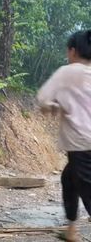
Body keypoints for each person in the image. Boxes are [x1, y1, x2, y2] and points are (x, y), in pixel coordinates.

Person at [37, 30, 91, 241]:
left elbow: (43, 99)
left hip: (82, 144)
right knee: (69, 179)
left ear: (73, 50)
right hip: (85, 144)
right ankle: (71, 231)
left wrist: (53, 106)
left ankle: (71, 231)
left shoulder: (67, 72)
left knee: (87, 192)